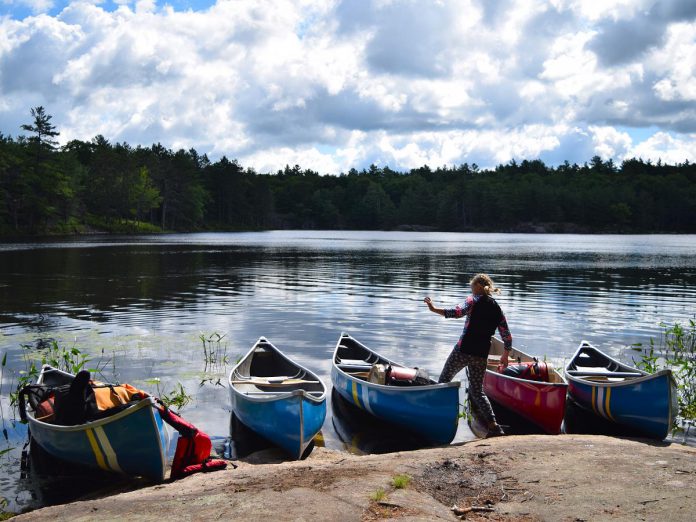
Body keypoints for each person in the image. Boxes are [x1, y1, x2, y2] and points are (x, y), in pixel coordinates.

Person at [424, 273, 512, 437]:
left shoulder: (473, 300)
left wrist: (433, 308)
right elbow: (506, 334)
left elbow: (457, 312)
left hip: (463, 350)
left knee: (444, 381)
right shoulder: (497, 308)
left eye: (472, 286)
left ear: (478, 286)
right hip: (481, 355)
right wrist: (505, 355)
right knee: (477, 391)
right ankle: (494, 426)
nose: (471, 288)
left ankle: (436, 416)